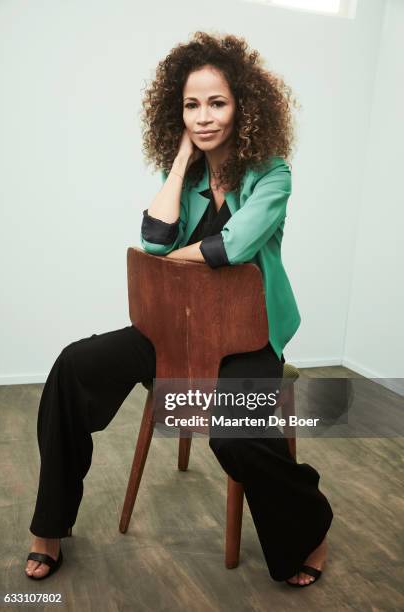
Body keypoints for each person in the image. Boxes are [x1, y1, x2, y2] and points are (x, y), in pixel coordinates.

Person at [25, 31, 333, 587]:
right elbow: (154, 239)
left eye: (217, 103)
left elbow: (231, 247)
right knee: (73, 366)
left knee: (234, 437)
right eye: (192, 105)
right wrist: (180, 161)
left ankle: (310, 525)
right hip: (172, 327)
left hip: (247, 332)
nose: (204, 116)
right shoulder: (187, 174)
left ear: (244, 106)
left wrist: (170, 263)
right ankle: (49, 527)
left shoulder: (273, 173)